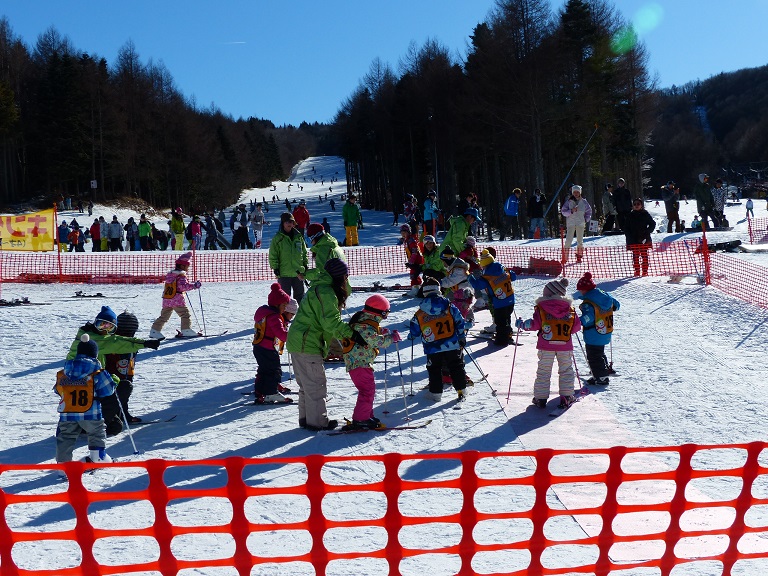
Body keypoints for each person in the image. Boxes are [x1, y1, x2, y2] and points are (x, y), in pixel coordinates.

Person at [286, 258, 366, 431]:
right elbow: (330, 322)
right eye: (345, 276)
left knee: (306, 384)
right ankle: (317, 423)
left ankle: (306, 418)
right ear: (338, 276)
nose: (346, 279)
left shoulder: (319, 286)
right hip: (307, 342)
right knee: (315, 384)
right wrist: (352, 335)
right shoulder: (326, 291)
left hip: (298, 340)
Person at [66, 306, 160, 436]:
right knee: (123, 386)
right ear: (95, 323)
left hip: (85, 393)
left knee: (115, 427)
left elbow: (115, 341)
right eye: (101, 325)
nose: (104, 330)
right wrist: (144, 343)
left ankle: (93, 421)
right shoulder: (94, 341)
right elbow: (116, 342)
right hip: (88, 395)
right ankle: (89, 424)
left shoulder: (88, 337)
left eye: (109, 327)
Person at [515, 278, 582, 409]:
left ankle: (540, 398)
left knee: (544, 371)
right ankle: (567, 396)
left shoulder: (542, 308)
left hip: (546, 346)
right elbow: (576, 327)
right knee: (566, 370)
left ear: (549, 294)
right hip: (565, 345)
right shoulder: (570, 309)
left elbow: (535, 324)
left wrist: (522, 324)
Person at [55, 334, 117, 465]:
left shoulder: (65, 371)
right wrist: (114, 381)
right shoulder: (97, 371)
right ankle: (97, 457)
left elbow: (58, 390)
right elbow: (108, 391)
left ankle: (63, 466)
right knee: (96, 433)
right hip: (91, 413)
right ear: (94, 354)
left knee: (66, 437)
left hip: (67, 413)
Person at [341, 295, 400, 430]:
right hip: (359, 364)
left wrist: (381, 331)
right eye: (385, 314)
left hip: (361, 362)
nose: (385, 317)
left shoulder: (364, 321)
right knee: (367, 391)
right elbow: (375, 341)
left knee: (369, 390)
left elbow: (371, 334)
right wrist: (391, 338)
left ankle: (366, 415)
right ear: (381, 312)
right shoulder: (364, 325)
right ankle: (361, 419)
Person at [407, 278, 469, 404]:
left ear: (424, 292)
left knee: (434, 368)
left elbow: (415, 327)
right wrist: (461, 336)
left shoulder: (420, 312)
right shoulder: (450, 307)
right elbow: (459, 321)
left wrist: (412, 336)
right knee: (456, 365)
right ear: (439, 290)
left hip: (432, 346)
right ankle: (461, 389)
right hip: (451, 343)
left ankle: (435, 393)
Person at [574, 272, 620, 385]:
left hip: (593, 332)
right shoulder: (605, 296)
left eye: (580, 290)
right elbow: (616, 305)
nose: (579, 292)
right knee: (599, 352)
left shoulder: (588, 303)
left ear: (585, 289)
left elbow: (588, 317)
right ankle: (603, 370)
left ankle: (601, 377)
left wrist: (577, 322)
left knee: (593, 355)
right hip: (605, 330)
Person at [252, 283, 293, 404]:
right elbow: (280, 333)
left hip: (259, 347)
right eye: (284, 305)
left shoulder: (264, 312)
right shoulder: (274, 317)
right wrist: (292, 337)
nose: (285, 309)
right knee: (274, 371)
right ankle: (271, 393)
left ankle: (260, 390)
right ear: (277, 304)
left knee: (264, 370)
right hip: (268, 348)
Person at [148, 252, 203, 339]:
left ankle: (155, 330)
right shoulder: (181, 275)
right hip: (177, 299)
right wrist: (195, 286)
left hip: (167, 298)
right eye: (187, 266)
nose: (188, 268)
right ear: (182, 266)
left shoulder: (170, 275)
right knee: (185, 314)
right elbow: (182, 287)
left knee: (164, 316)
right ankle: (186, 330)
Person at [468, 249, 516, 346]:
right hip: (510, 298)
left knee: (500, 321)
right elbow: (513, 276)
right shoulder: (502, 268)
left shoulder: (487, 276)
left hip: (499, 302)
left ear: (484, 264)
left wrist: (469, 276)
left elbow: (477, 285)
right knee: (507, 318)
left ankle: (501, 340)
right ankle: (508, 334)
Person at [103, 311, 144, 423]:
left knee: (125, 385)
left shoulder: (130, 345)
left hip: (118, 375)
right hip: (110, 378)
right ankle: (117, 414)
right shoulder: (119, 343)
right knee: (122, 386)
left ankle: (121, 413)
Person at [268, 212, 309, 301]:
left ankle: (302, 314)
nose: (289, 224)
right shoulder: (278, 238)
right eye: (287, 222)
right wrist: (275, 267)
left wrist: (305, 264)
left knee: (300, 297)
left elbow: (304, 252)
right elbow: (273, 254)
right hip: (284, 273)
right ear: (283, 223)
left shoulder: (299, 237)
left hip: (298, 273)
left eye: (291, 222)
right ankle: (285, 315)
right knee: (285, 299)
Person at [439, 246, 475, 330]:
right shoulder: (454, 266)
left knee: (464, 306)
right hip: (457, 290)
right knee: (448, 301)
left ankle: (469, 320)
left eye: (443, 261)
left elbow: (450, 281)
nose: (443, 263)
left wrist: (439, 282)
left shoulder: (459, 269)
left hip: (465, 291)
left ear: (448, 260)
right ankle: (450, 318)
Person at [624, 198, 656, 276]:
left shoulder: (645, 214)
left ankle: (645, 271)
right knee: (635, 256)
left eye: (638, 204)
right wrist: (629, 236)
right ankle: (637, 271)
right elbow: (626, 228)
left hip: (644, 238)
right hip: (633, 239)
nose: (636, 205)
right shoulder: (630, 215)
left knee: (644, 255)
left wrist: (647, 232)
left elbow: (652, 224)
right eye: (635, 204)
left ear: (641, 205)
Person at [561, 185, 592, 263]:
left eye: (577, 192)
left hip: (580, 223)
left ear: (580, 193)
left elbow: (589, 211)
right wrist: (571, 211)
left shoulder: (584, 202)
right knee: (568, 241)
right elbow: (563, 211)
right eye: (574, 192)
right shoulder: (568, 201)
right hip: (571, 223)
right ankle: (565, 257)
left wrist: (586, 219)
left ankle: (579, 256)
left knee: (580, 241)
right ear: (572, 193)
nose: (576, 193)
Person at [401, 224, 424, 297]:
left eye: (405, 233)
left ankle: (415, 289)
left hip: (416, 260)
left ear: (408, 232)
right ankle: (417, 287)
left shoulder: (411, 240)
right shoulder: (407, 240)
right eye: (402, 233)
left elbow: (414, 252)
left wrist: (411, 261)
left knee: (413, 274)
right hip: (414, 260)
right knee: (415, 274)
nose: (403, 235)